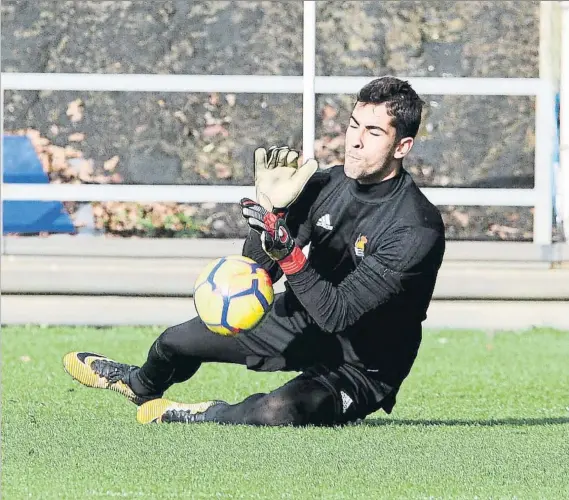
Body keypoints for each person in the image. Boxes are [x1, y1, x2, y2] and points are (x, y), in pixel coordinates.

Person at [63, 75, 446, 426]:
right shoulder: (326, 183)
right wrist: (273, 212)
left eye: (374, 132)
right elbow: (257, 270)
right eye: (353, 126)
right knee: (174, 342)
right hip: (301, 320)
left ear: (402, 146)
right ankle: (140, 383)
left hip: (365, 363)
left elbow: (337, 313)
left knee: (278, 411)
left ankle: (203, 414)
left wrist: (289, 253)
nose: (355, 141)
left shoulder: (415, 227)